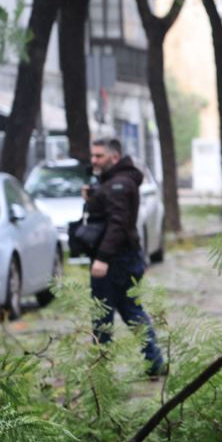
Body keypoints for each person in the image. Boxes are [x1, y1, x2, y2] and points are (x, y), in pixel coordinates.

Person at [84, 138, 166, 377]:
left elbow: (118, 224)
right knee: (131, 311)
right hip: (122, 258)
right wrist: (93, 197)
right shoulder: (116, 181)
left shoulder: (119, 184)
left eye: (99, 156)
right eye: (93, 155)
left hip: (115, 261)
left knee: (103, 316)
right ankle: (154, 362)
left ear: (115, 157)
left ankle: (101, 374)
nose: (94, 160)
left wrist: (102, 258)